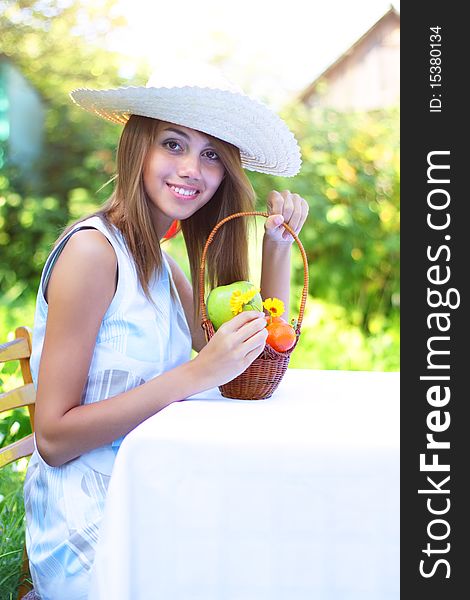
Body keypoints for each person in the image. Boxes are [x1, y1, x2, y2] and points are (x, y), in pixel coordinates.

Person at [23, 66, 308, 600]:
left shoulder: (160, 264)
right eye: (173, 144)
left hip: (152, 491)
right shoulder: (93, 253)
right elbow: (54, 439)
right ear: (137, 149)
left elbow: (250, 360)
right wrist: (195, 374)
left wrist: (277, 249)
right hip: (93, 525)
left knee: (283, 544)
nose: (191, 169)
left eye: (211, 155)